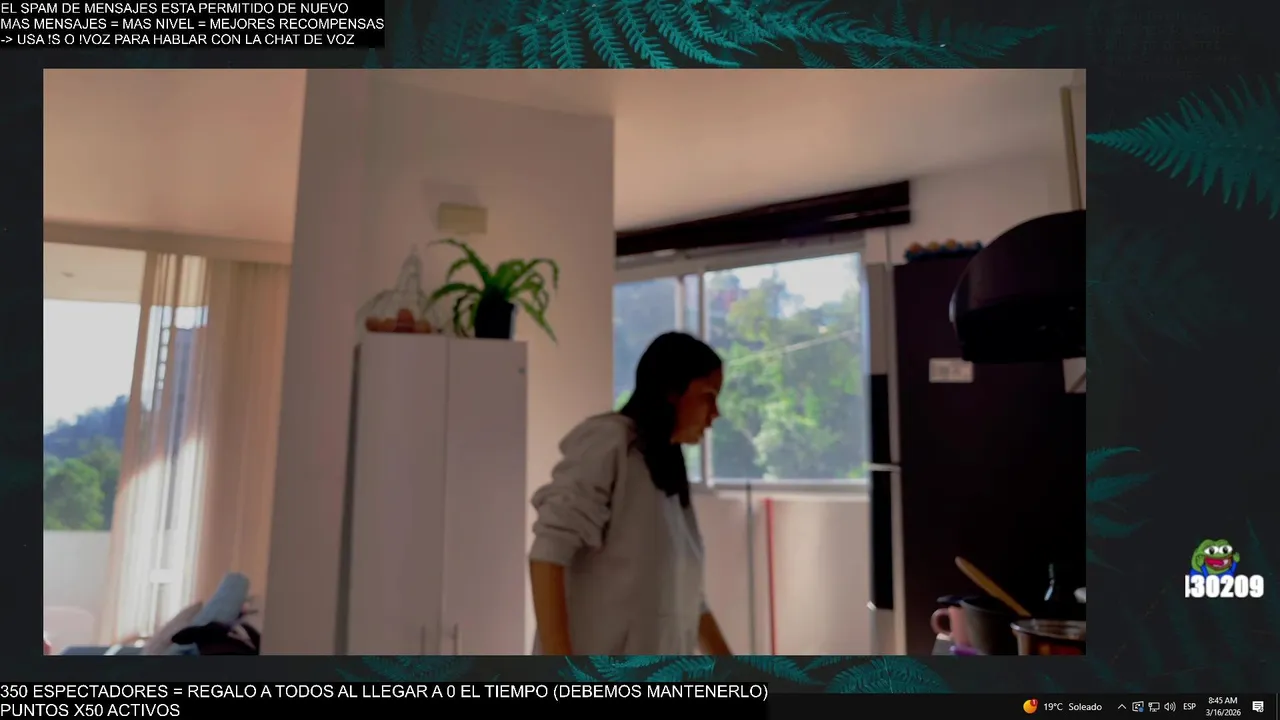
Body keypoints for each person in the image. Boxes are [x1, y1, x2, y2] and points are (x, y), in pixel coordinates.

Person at [528, 332, 732, 655]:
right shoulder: (610, 441)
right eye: (708, 396)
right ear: (672, 392)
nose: (716, 412)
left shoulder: (669, 472)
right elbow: (548, 551)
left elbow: (690, 599)